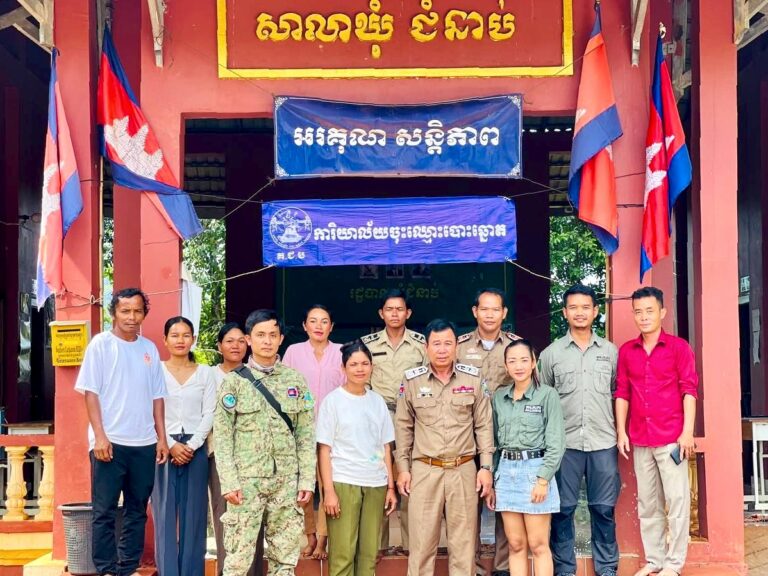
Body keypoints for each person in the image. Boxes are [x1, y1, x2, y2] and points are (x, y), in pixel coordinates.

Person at [74, 287, 169, 576]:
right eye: (125, 310)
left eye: (137, 311)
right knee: (103, 511)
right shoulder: (101, 345)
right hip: (110, 442)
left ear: (144, 314)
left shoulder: (149, 349)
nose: (131, 316)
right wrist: (100, 436)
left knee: (137, 510)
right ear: (114, 313)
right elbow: (90, 393)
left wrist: (162, 438)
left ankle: (127, 567)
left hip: (144, 443)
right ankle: (106, 568)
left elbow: (157, 397)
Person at [213, 309, 316, 576]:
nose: (267, 341)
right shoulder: (233, 383)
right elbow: (222, 437)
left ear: (281, 339)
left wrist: (306, 480)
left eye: (272, 335)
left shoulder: (295, 381)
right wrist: (229, 482)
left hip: (286, 482)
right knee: (237, 560)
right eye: (260, 335)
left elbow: (306, 435)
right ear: (249, 339)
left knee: (285, 559)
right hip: (246, 483)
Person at [395, 318, 494, 576]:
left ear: (456, 346)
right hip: (425, 470)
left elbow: (484, 425)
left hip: (463, 469)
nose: (442, 350)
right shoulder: (412, 380)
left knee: (463, 546)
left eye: (447, 343)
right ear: (426, 347)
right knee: (421, 544)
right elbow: (403, 427)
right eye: (436, 344)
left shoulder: (473, 378)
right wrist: (403, 469)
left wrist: (485, 467)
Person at [615, 287, 698, 576]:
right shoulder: (627, 351)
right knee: (648, 503)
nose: (644, 317)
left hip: (672, 439)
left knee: (677, 502)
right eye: (638, 312)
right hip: (640, 438)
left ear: (662, 312)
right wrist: (621, 431)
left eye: (649, 311)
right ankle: (655, 560)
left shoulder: (679, 348)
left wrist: (687, 432)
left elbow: (689, 390)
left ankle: (673, 565)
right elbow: (622, 392)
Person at [539, 285, 620, 576]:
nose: (580, 312)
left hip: (603, 442)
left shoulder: (610, 352)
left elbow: (617, 393)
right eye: (573, 307)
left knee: (603, 508)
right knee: (563, 509)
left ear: (595, 311)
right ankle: (564, 568)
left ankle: (607, 567)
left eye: (585, 307)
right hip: (565, 445)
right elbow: (544, 398)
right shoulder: (551, 354)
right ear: (564, 312)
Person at [317, 340, 398, 576]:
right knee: (343, 556)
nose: (360, 369)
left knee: (368, 555)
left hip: (375, 484)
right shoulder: (333, 401)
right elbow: (324, 450)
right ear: (343, 368)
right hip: (344, 483)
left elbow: (386, 447)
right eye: (353, 364)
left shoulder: (377, 401)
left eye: (365, 363)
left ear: (372, 366)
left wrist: (390, 487)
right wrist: (329, 492)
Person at [456, 287, 520, 576]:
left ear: (504, 313)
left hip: (508, 435)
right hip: (467, 435)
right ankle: (473, 565)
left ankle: (504, 566)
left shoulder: (517, 346)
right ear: (475, 311)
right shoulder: (459, 347)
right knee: (468, 503)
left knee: (505, 500)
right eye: (484, 309)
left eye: (496, 309)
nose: (490, 314)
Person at [491, 339, 565, 576]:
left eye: (524, 360)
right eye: (512, 361)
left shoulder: (547, 395)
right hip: (506, 472)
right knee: (515, 544)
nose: (518, 366)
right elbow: (493, 444)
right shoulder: (499, 398)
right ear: (506, 366)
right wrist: (493, 479)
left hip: (535, 471)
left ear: (534, 363)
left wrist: (543, 480)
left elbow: (556, 443)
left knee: (538, 544)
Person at [362, 289, 426, 554]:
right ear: (381, 313)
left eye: (400, 309)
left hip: (412, 417)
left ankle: (412, 546)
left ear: (408, 313)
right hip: (379, 416)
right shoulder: (368, 344)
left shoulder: (421, 344)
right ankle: (378, 546)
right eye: (389, 309)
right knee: (379, 478)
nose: (395, 314)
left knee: (411, 479)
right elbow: (362, 380)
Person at [152, 316, 216, 576]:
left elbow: (210, 412)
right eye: (175, 335)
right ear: (165, 340)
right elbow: (149, 409)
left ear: (194, 339)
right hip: (162, 447)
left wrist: (191, 445)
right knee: (164, 515)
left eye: (186, 335)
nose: (180, 340)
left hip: (195, 448)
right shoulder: (155, 371)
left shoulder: (205, 373)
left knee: (194, 517)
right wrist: (169, 443)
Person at [283, 304, 345, 560]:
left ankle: (322, 539)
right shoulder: (293, 352)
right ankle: (309, 536)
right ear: (304, 326)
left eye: (324, 321)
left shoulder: (341, 352)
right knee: (304, 485)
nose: (319, 326)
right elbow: (284, 388)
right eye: (313, 321)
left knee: (329, 485)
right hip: (301, 429)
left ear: (332, 326)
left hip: (334, 431)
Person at [208, 322, 263, 576]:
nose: (236, 346)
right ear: (219, 346)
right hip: (221, 457)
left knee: (254, 519)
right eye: (229, 341)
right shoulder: (210, 376)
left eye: (241, 341)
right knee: (225, 518)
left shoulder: (257, 375)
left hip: (254, 459)